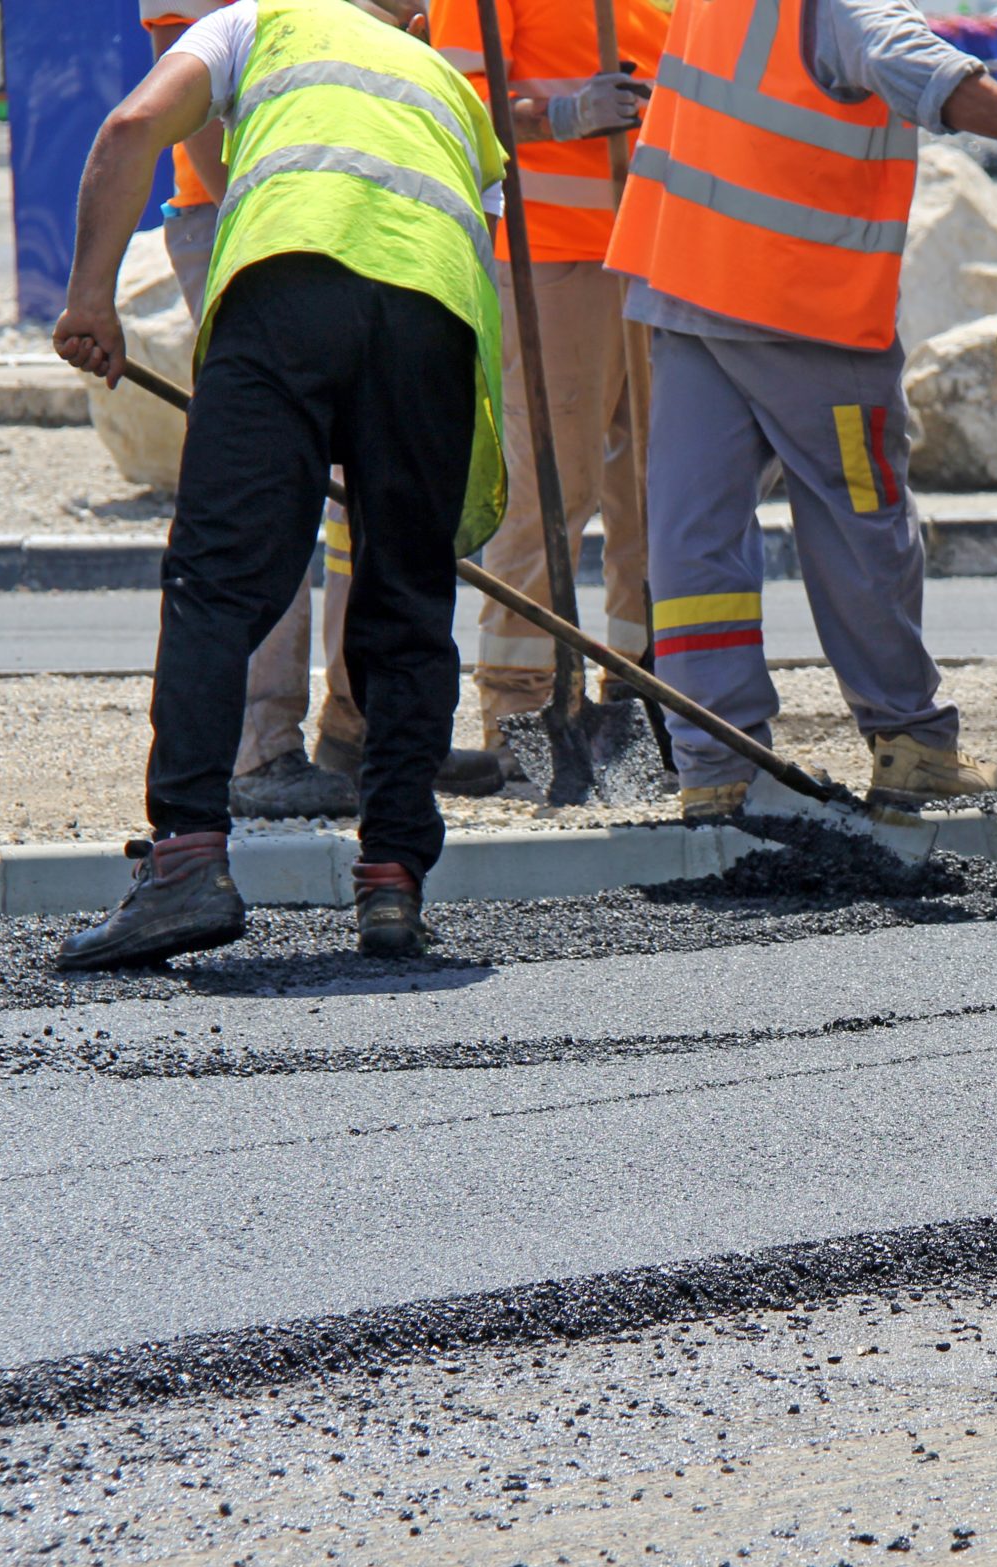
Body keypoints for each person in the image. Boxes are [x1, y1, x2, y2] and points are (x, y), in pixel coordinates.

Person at [604, 0, 997, 818]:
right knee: (860, 522)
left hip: (685, 280)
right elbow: (929, 72)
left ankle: (717, 761)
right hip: (801, 304)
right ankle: (912, 742)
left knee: (693, 533)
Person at [52, 0, 512, 967]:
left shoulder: (261, 21)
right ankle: (392, 879)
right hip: (434, 315)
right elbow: (476, 255)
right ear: (418, 18)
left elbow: (134, 124)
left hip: (286, 285)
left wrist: (92, 297)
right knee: (405, 597)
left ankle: (184, 866)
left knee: (220, 581)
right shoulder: (454, 92)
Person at [140, 0, 512, 823]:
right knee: (248, 535)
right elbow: (171, 66)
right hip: (258, 206)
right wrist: (264, 198)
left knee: (377, 528)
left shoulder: (414, 60)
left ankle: (363, 724)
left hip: (369, 211)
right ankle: (263, 745)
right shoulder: (258, 25)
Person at [429, 0, 667, 741]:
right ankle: (519, 704)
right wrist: (563, 116)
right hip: (555, 256)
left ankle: (642, 681)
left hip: (658, 251)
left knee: (658, 493)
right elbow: (453, 107)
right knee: (551, 487)